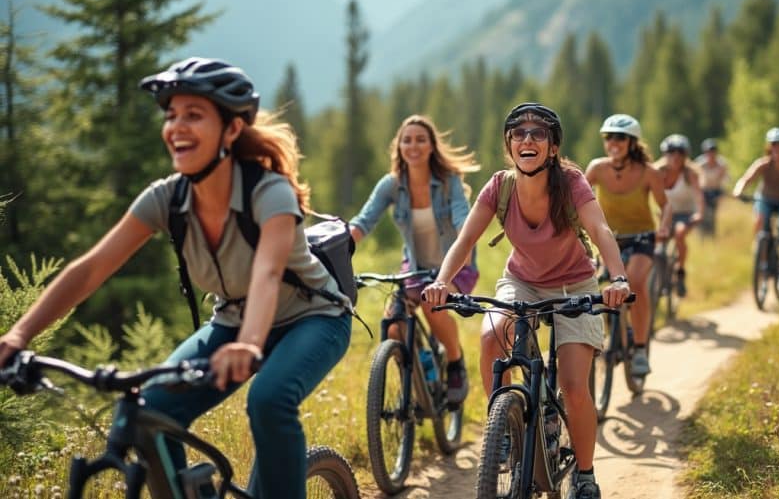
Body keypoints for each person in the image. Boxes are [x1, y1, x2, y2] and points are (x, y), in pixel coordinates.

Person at [0, 57, 352, 499]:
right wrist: (18, 335)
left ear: (231, 130)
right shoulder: (167, 199)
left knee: (269, 400)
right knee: (153, 410)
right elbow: (90, 269)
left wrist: (250, 344)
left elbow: (267, 273)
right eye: (171, 115)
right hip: (233, 322)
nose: (176, 126)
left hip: (313, 319)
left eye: (194, 115)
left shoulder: (269, 192)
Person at [421, 102, 631, 499]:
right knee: (490, 336)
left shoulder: (571, 183)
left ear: (553, 148)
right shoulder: (499, 187)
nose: (527, 139)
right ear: (510, 146)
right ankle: (503, 429)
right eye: (519, 133)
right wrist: (442, 281)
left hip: (575, 284)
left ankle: (585, 476)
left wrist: (617, 277)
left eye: (538, 133)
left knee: (572, 384)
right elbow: (464, 240)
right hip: (523, 281)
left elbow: (600, 229)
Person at [349, 114, 479, 405]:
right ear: (399, 147)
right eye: (407, 140)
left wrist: (466, 245)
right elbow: (363, 222)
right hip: (416, 269)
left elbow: (463, 219)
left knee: (433, 305)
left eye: (421, 139)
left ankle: (455, 363)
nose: (414, 145)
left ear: (432, 146)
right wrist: (337, 246)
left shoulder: (449, 182)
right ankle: (423, 373)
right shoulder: (392, 185)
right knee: (394, 324)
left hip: (455, 265)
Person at [584, 114, 671, 377]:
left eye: (619, 138)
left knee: (634, 282)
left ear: (632, 142)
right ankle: (613, 333)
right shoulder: (597, 169)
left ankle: (641, 348)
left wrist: (664, 226)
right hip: (609, 239)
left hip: (642, 237)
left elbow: (666, 206)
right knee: (599, 286)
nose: (613, 142)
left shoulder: (649, 172)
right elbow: (576, 198)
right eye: (608, 137)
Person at [732, 127, 779, 276]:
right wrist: (738, 190)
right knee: (761, 222)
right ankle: (763, 258)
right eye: (774, 145)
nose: (777, 148)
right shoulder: (763, 163)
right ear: (769, 146)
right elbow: (746, 178)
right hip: (766, 199)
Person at [655, 134, 705, 297]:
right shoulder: (656, 172)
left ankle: (680, 272)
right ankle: (660, 281)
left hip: (685, 214)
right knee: (657, 246)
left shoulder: (690, 174)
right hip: (664, 215)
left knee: (679, 233)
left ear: (685, 156)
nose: (675, 157)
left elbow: (698, 195)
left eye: (680, 154)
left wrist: (700, 213)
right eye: (671, 153)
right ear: (665, 155)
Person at [694, 137, 730, 237]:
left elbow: (726, 180)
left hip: (716, 191)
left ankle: (710, 235)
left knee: (712, 214)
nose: (711, 154)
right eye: (709, 151)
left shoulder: (722, 164)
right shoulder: (699, 164)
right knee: (702, 212)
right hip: (703, 191)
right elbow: (694, 180)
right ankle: (701, 235)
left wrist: (722, 193)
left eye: (713, 151)